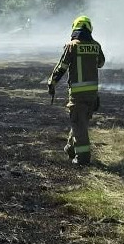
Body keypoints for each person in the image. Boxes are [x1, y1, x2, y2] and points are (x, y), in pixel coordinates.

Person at [47, 15, 105, 166]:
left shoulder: (72, 46)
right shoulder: (96, 46)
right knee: (81, 122)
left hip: (78, 94)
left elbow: (61, 68)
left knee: (78, 123)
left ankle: (82, 157)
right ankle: (70, 149)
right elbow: (101, 63)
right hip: (92, 94)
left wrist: (51, 83)